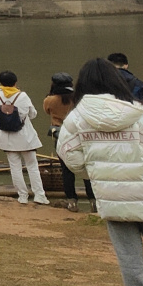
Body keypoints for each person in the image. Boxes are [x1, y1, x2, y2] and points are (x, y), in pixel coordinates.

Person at [57, 57, 143, 286]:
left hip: (112, 199)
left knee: (130, 260)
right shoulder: (140, 113)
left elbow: (68, 156)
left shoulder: (76, 119)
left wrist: (95, 173)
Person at [0, 69, 48, 206]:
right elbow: (33, 114)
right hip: (24, 136)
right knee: (32, 165)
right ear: (15, 82)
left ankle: (22, 196)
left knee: (14, 166)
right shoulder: (22, 96)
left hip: (5, 136)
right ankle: (39, 195)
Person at [45, 73, 95, 206]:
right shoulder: (79, 98)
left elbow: (47, 110)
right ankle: (93, 200)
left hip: (61, 136)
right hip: (80, 135)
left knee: (66, 170)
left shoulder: (50, 100)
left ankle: (72, 201)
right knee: (86, 168)